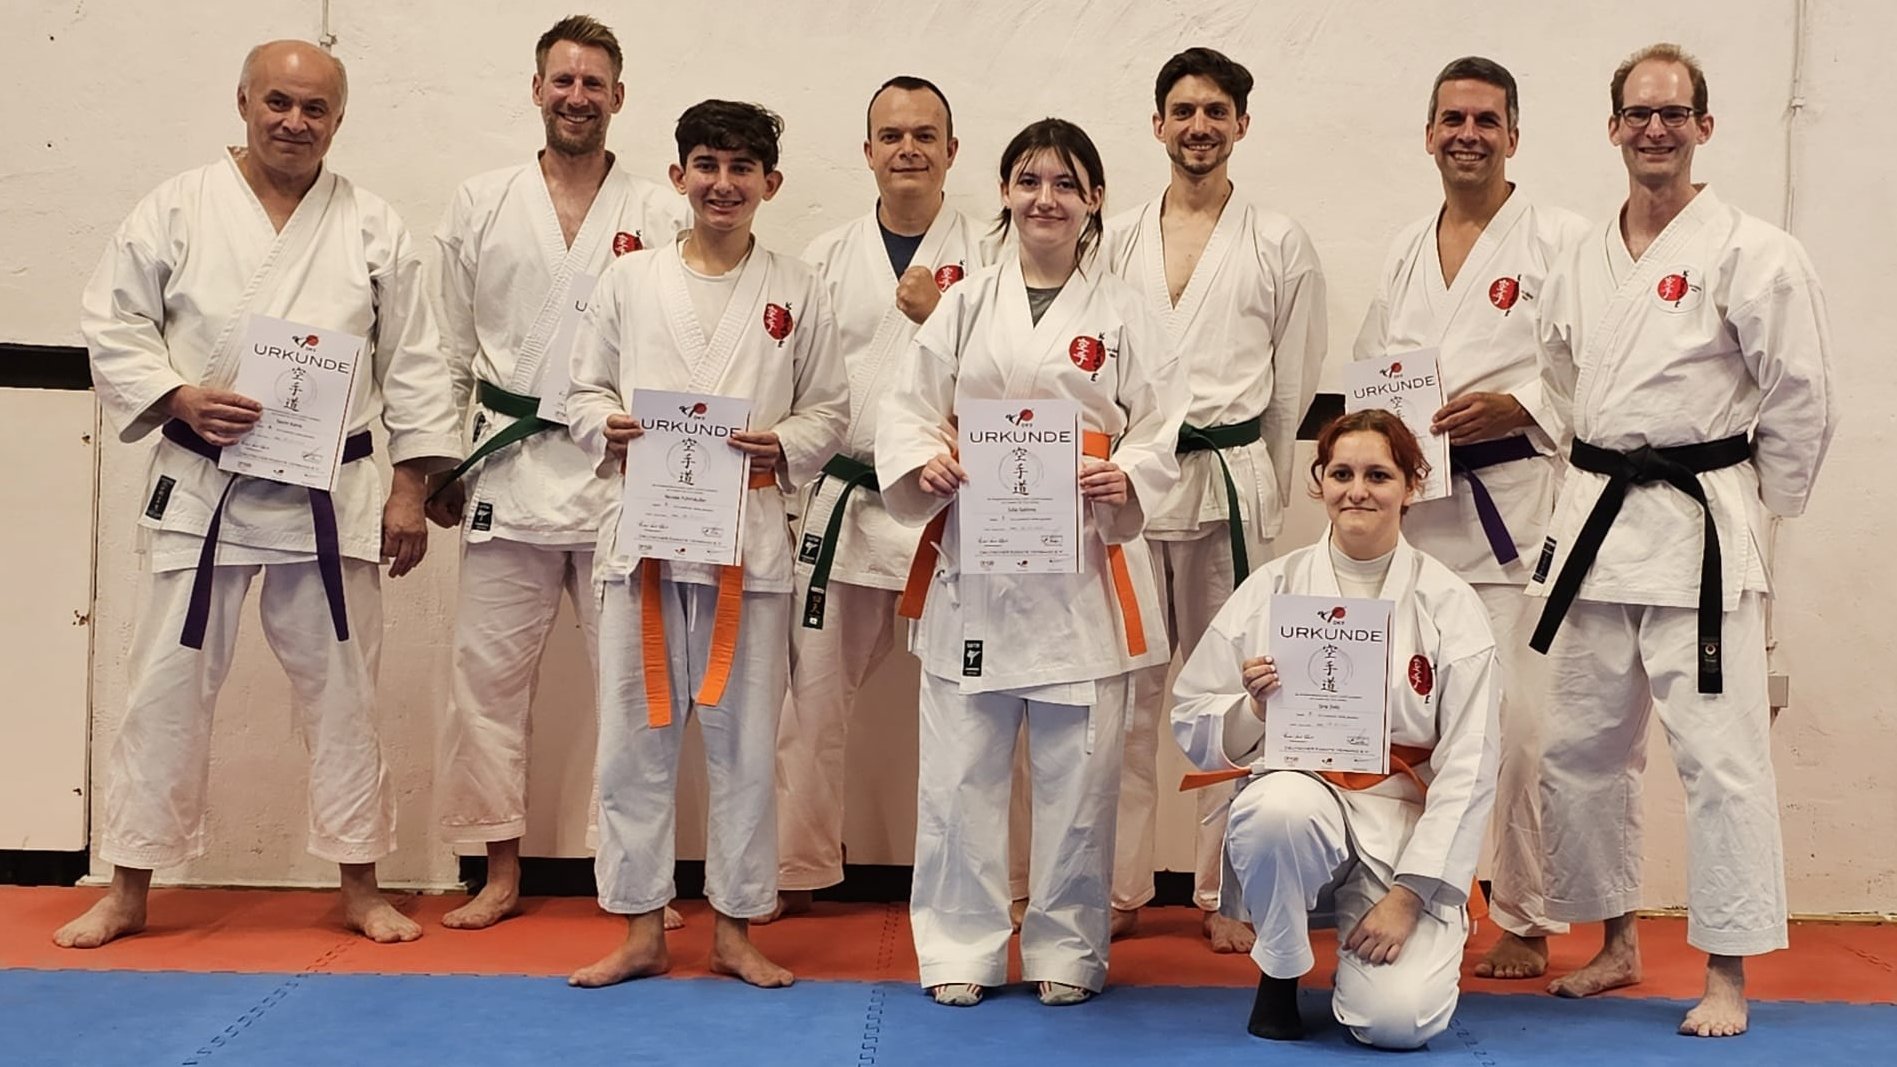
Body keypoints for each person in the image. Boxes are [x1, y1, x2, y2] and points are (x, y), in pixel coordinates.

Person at [60, 40, 462, 948]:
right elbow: (112, 321)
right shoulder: (176, 208)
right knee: (162, 689)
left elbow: (415, 361)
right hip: (204, 486)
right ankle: (128, 887)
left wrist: (409, 489)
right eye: (278, 101)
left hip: (331, 491)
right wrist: (177, 394)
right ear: (242, 102)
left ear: (338, 119)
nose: (294, 121)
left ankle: (360, 885)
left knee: (347, 696)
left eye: (314, 108)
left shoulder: (372, 225)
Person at [1527, 43, 1837, 1037]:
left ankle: (1726, 971)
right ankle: (1614, 940)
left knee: (1721, 761)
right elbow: (1559, 380)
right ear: (1612, 126)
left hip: (1696, 535)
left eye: (1672, 113)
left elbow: (1801, 397)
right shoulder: (1578, 257)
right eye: (1637, 113)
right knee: (1579, 748)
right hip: (1595, 529)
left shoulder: (1754, 251)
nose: (1653, 129)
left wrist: (1754, 506)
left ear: (1703, 126)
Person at [876, 118, 1185, 1007]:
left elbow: (1162, 422)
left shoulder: (1128, 312)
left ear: (1093, 199)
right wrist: (922, 460)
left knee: (1078, 779)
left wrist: (1127, 472)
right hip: (976, 562)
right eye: (1029, 181)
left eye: (1064, 183)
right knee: (959, 775)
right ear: (1006, 192)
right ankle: (960, 946)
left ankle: (1067, 947)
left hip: (1080, 567)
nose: (1045, 198)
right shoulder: (964, 301)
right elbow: (907, 406)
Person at [562, 100, 848, 989]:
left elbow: (829, 408)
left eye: (741, 168)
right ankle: (639, 926)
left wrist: (784, 443)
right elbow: (580, 390)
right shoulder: (628, 280)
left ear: (770, 182)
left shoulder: (799, 287)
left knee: (746, 747)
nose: (722, 184)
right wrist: (604, 425)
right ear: (679, 174)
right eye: (707, 165)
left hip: (745, 548)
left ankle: (734, 927)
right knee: (631, 744)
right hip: (643, 545)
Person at [425, 15, 687, 932]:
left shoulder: (660, 211)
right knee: (487, 681)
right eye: (562, 81)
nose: (577, 97)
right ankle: (497, 869)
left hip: (620, 471)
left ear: (618, 97)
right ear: (537, 89)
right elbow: (444, 346)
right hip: (507, 468)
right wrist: (435, 463)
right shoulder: (481, 202)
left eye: (593, 83)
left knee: (634, 687)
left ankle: (635, 878)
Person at [1353, 55, 1588, 979]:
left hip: (1515, 523)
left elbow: (1596, 363)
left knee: (1519, 731)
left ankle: (1524, 916)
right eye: (1452, 119)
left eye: (1486, 120)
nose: (1467, 134)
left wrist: (1519, 405)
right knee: (1413, 719)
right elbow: (1375, 371)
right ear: (1427, 134)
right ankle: (1396, 892)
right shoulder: (1404, 248)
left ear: (1513, 136)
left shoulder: (1560, 240)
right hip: (1419, 523)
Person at [1173, 410, 1499, 1049]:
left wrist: (1409, 897)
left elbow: (1472, 763)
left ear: (1412, 486)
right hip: (1305, 799)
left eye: (1378, 475)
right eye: (1342, 473)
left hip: (1402, 823)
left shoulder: (1450, 604)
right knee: (1276, 808)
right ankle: (1280, 967)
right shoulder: (1273, 587)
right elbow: (1192, 713)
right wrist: (1252, 711)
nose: (1358, 490)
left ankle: (1384, 945)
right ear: (1318, 481)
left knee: (1397, 1023)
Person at [1101, 47, 1327, 951]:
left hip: (1229, 480)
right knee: (1126, 694)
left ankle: (1224, 887)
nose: (1199, 126)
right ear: (1157, 123)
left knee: (1234, 693)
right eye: (1184, 110)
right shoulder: (1114, 235)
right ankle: (1116, 885)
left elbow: (1293, 383)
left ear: (1241, 124)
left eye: (1215, 111)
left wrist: (1265, 484)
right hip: (1132, 486)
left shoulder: (1278, 241)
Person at [762, 75, 987, 923]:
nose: (908, 149)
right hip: (848, 499)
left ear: (951, 151)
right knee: (811, 696)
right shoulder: (825, 256)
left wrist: (942, 315)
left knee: (976, 705)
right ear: (866, 152)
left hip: (950, 504)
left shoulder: (991, 256)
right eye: (891, 135)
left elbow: (1013, 377)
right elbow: (799, 382)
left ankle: (978, 878)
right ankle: (797, 864)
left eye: (925, 135)